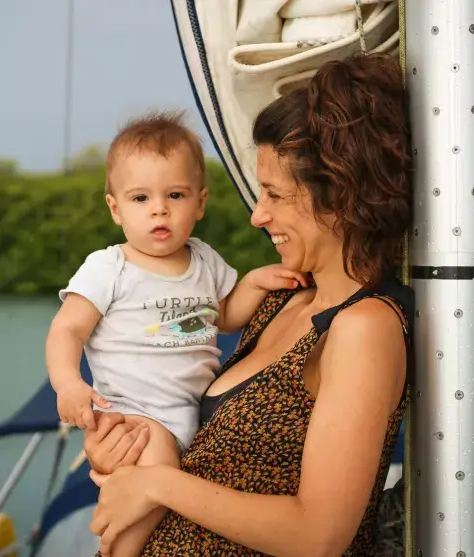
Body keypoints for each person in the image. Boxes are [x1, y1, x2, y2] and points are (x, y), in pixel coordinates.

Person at [82, 51, 413, 556]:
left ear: (340, 197)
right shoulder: (281, 300)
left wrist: (156, 485)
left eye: (274, 195)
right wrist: (123, 442)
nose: (258, 216)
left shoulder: (364, 326)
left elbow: (317, 537)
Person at [45, 110, 309, 557]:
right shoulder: (109, 268)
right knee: (154, 482)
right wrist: (68, 384)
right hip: (133, 414)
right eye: (140, 198)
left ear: (200, 203)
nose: (159, 209)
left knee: (173, 501)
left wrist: (256, 283)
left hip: (190, 417)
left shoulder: (204, 260)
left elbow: (224, 316)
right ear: (115, 208)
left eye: (175, 195)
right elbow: (66, 328)